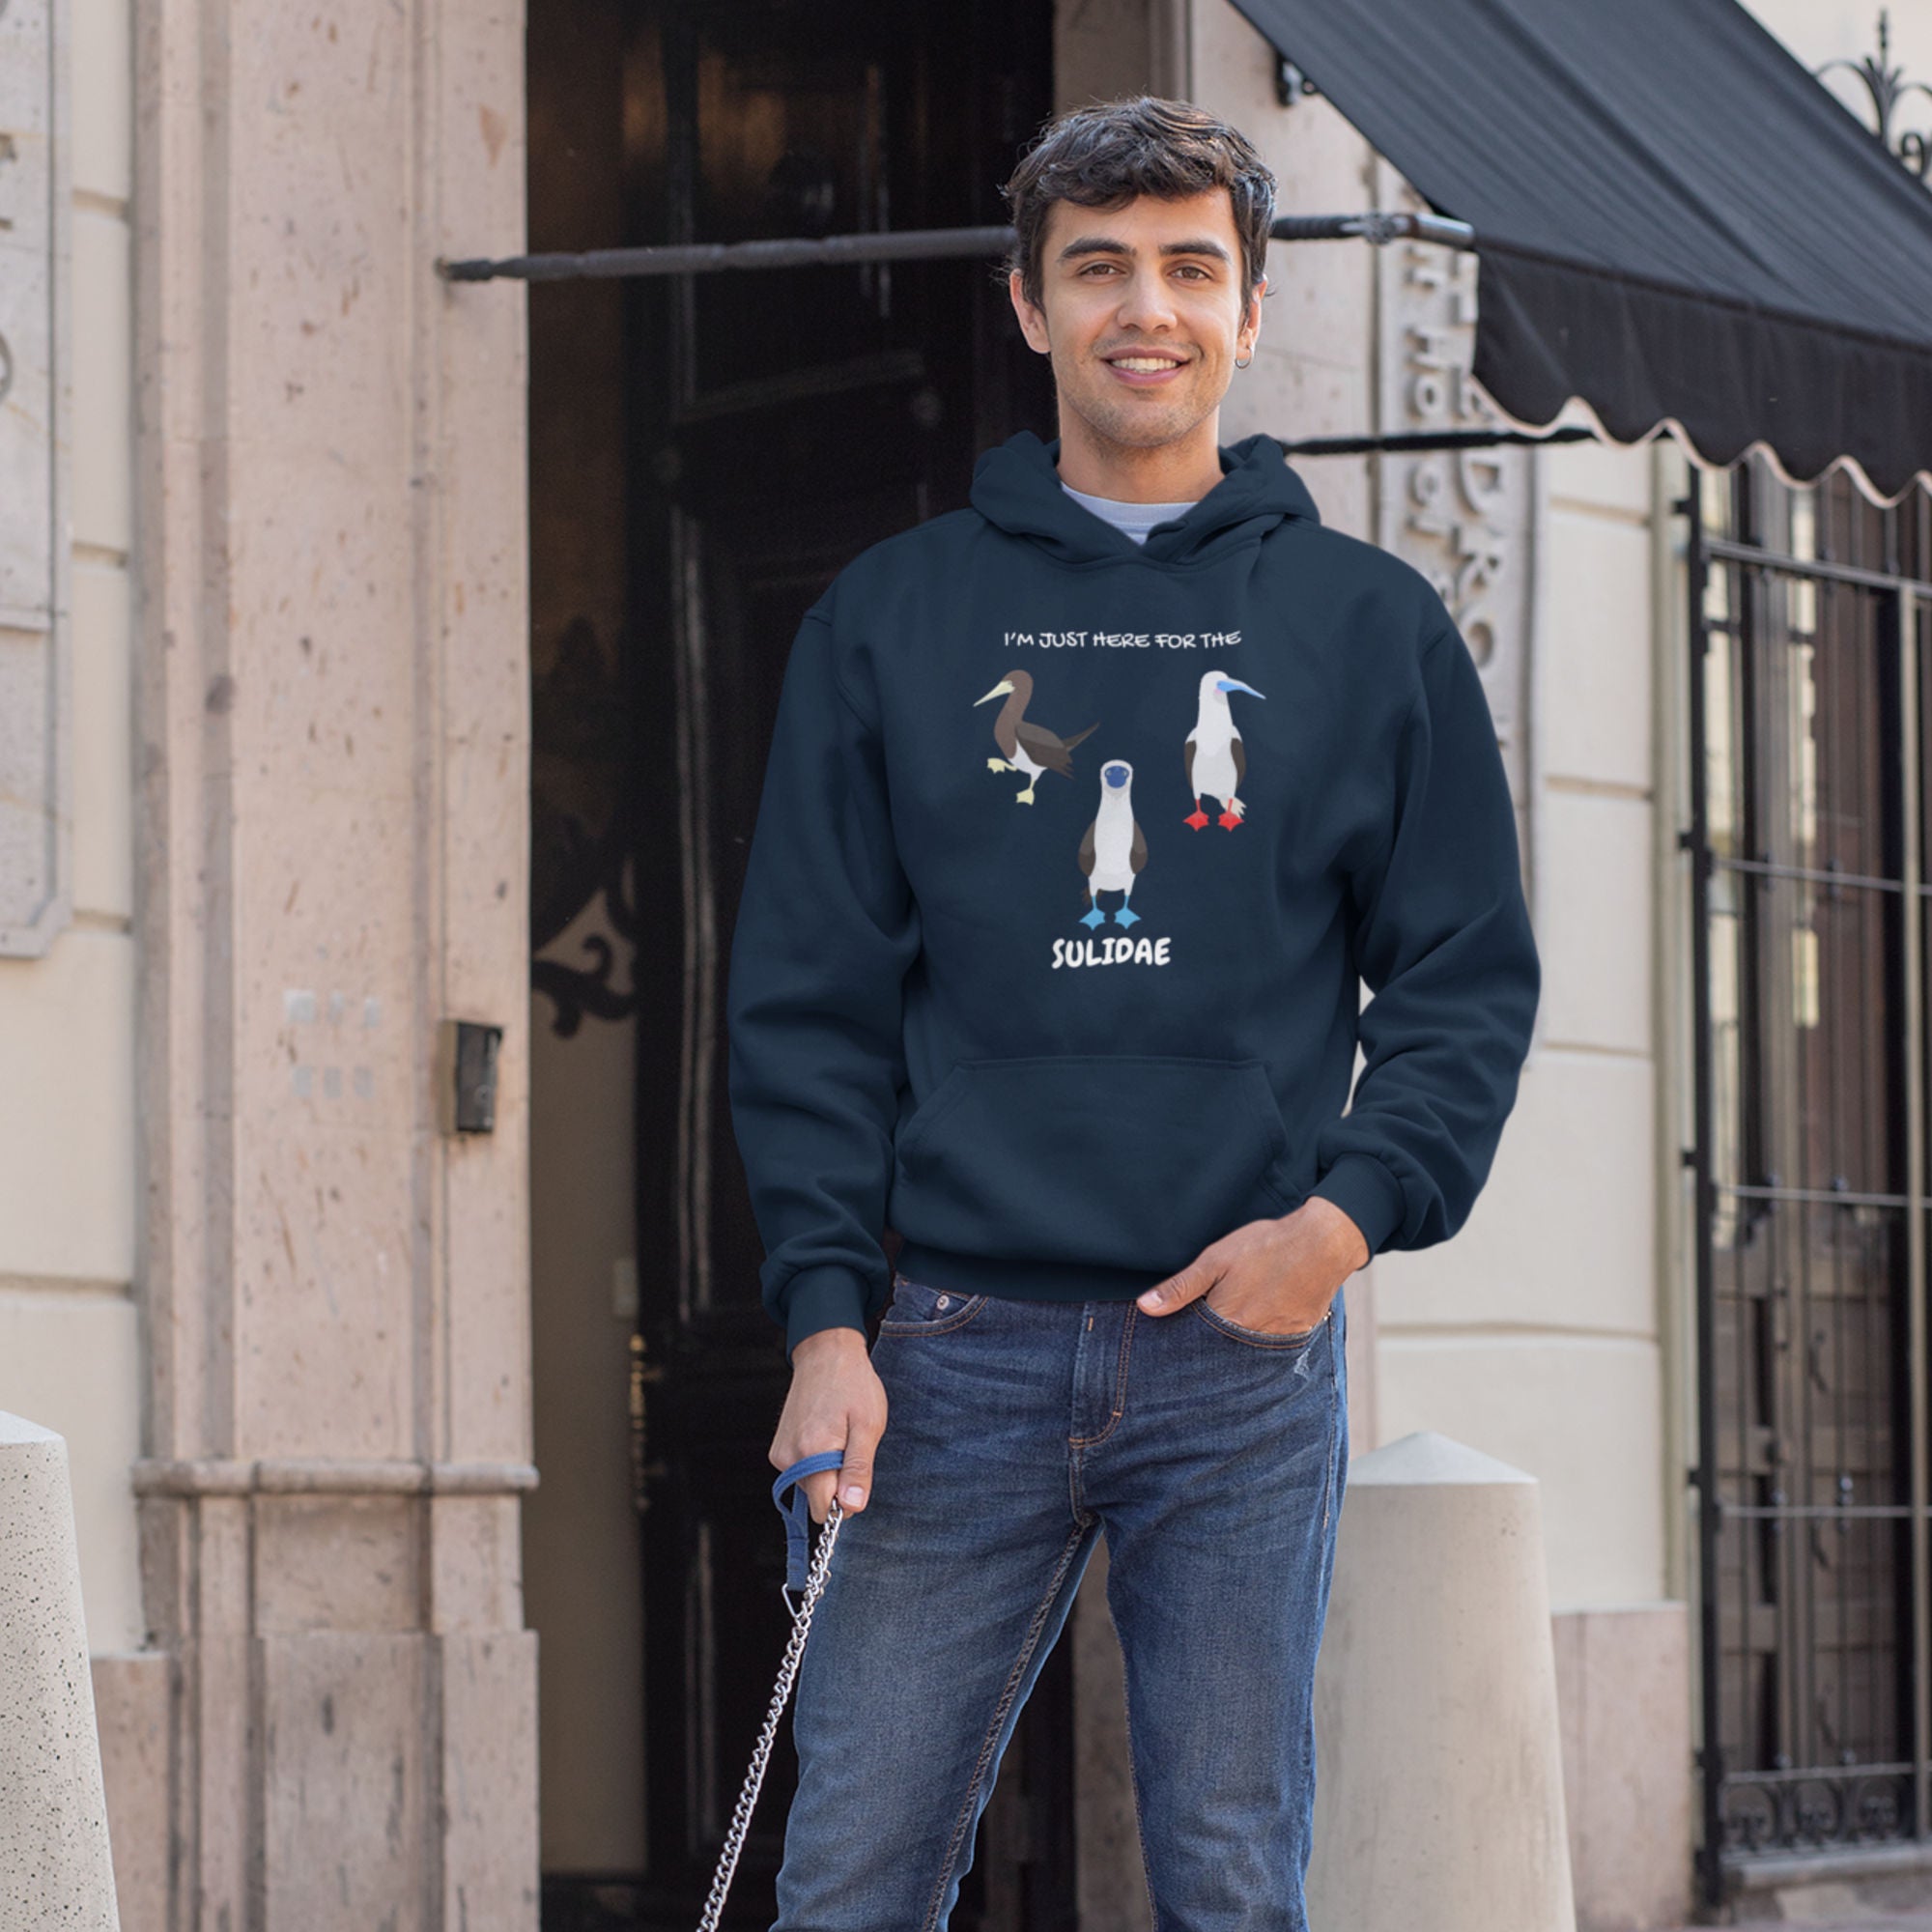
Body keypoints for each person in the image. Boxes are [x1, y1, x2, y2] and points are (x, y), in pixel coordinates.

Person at [725, 94, 1540, 1931]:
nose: (1144, 308)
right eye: (1099, 268)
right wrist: (826, 1321)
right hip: (940, 1354)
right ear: (1030, 307)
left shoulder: (1368, 626)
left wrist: (1334, 1232)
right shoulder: (889, 621)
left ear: (1250, 313)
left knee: (1234, 1889)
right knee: (851, 1882)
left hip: (1238, 1356)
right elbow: (808, 1004)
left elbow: (1464, 980)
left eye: (1191, 267)